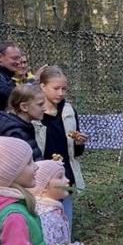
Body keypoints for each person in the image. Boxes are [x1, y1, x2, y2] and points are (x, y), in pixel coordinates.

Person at [35, 66, 87, 229]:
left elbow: (76, 153)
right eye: (56, 88)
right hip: (41, 179)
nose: (61, 93)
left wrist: (80, 142)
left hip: (65, 176)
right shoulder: (34, 112)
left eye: (64, 88)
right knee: (43, 226)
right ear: (43, 86)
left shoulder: (69, 110)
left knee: (65, 224)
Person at [0, 84, 44, 160]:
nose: (44, 108)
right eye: (40, 105)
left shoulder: (24, 126)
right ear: (24, 107)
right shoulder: (14, 133)